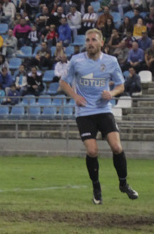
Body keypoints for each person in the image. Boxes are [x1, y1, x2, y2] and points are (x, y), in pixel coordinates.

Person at [59, 28, 138, 204]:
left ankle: (123, 184)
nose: (90, 43)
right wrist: (75, 96)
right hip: (85, 113)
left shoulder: (111, 61)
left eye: (94, 40)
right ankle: (96, 187)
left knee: (117, 147)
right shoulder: (77, 61)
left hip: (104, 110)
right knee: (92, 151)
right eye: (87, 40)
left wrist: (112, 93)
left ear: (101, 43)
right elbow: (63, 82)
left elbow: (121, 85)